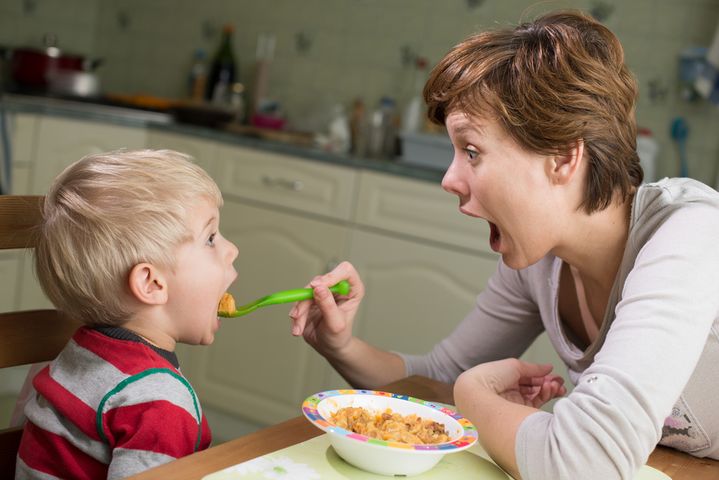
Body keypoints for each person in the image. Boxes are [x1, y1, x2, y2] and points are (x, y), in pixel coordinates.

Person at [289, 10, 719, 480]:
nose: (449, 179)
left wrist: (474, 398)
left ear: (562, 157)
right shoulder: (541, 263)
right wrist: (341, 346)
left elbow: (584, 463)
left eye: (471, 151)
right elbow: (437, 379)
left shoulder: (690, 233)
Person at [15, 149, 239, 479]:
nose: (232, 249)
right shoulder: (161, 402)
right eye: (210, 238)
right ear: (151, 283)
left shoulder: (79, 350)